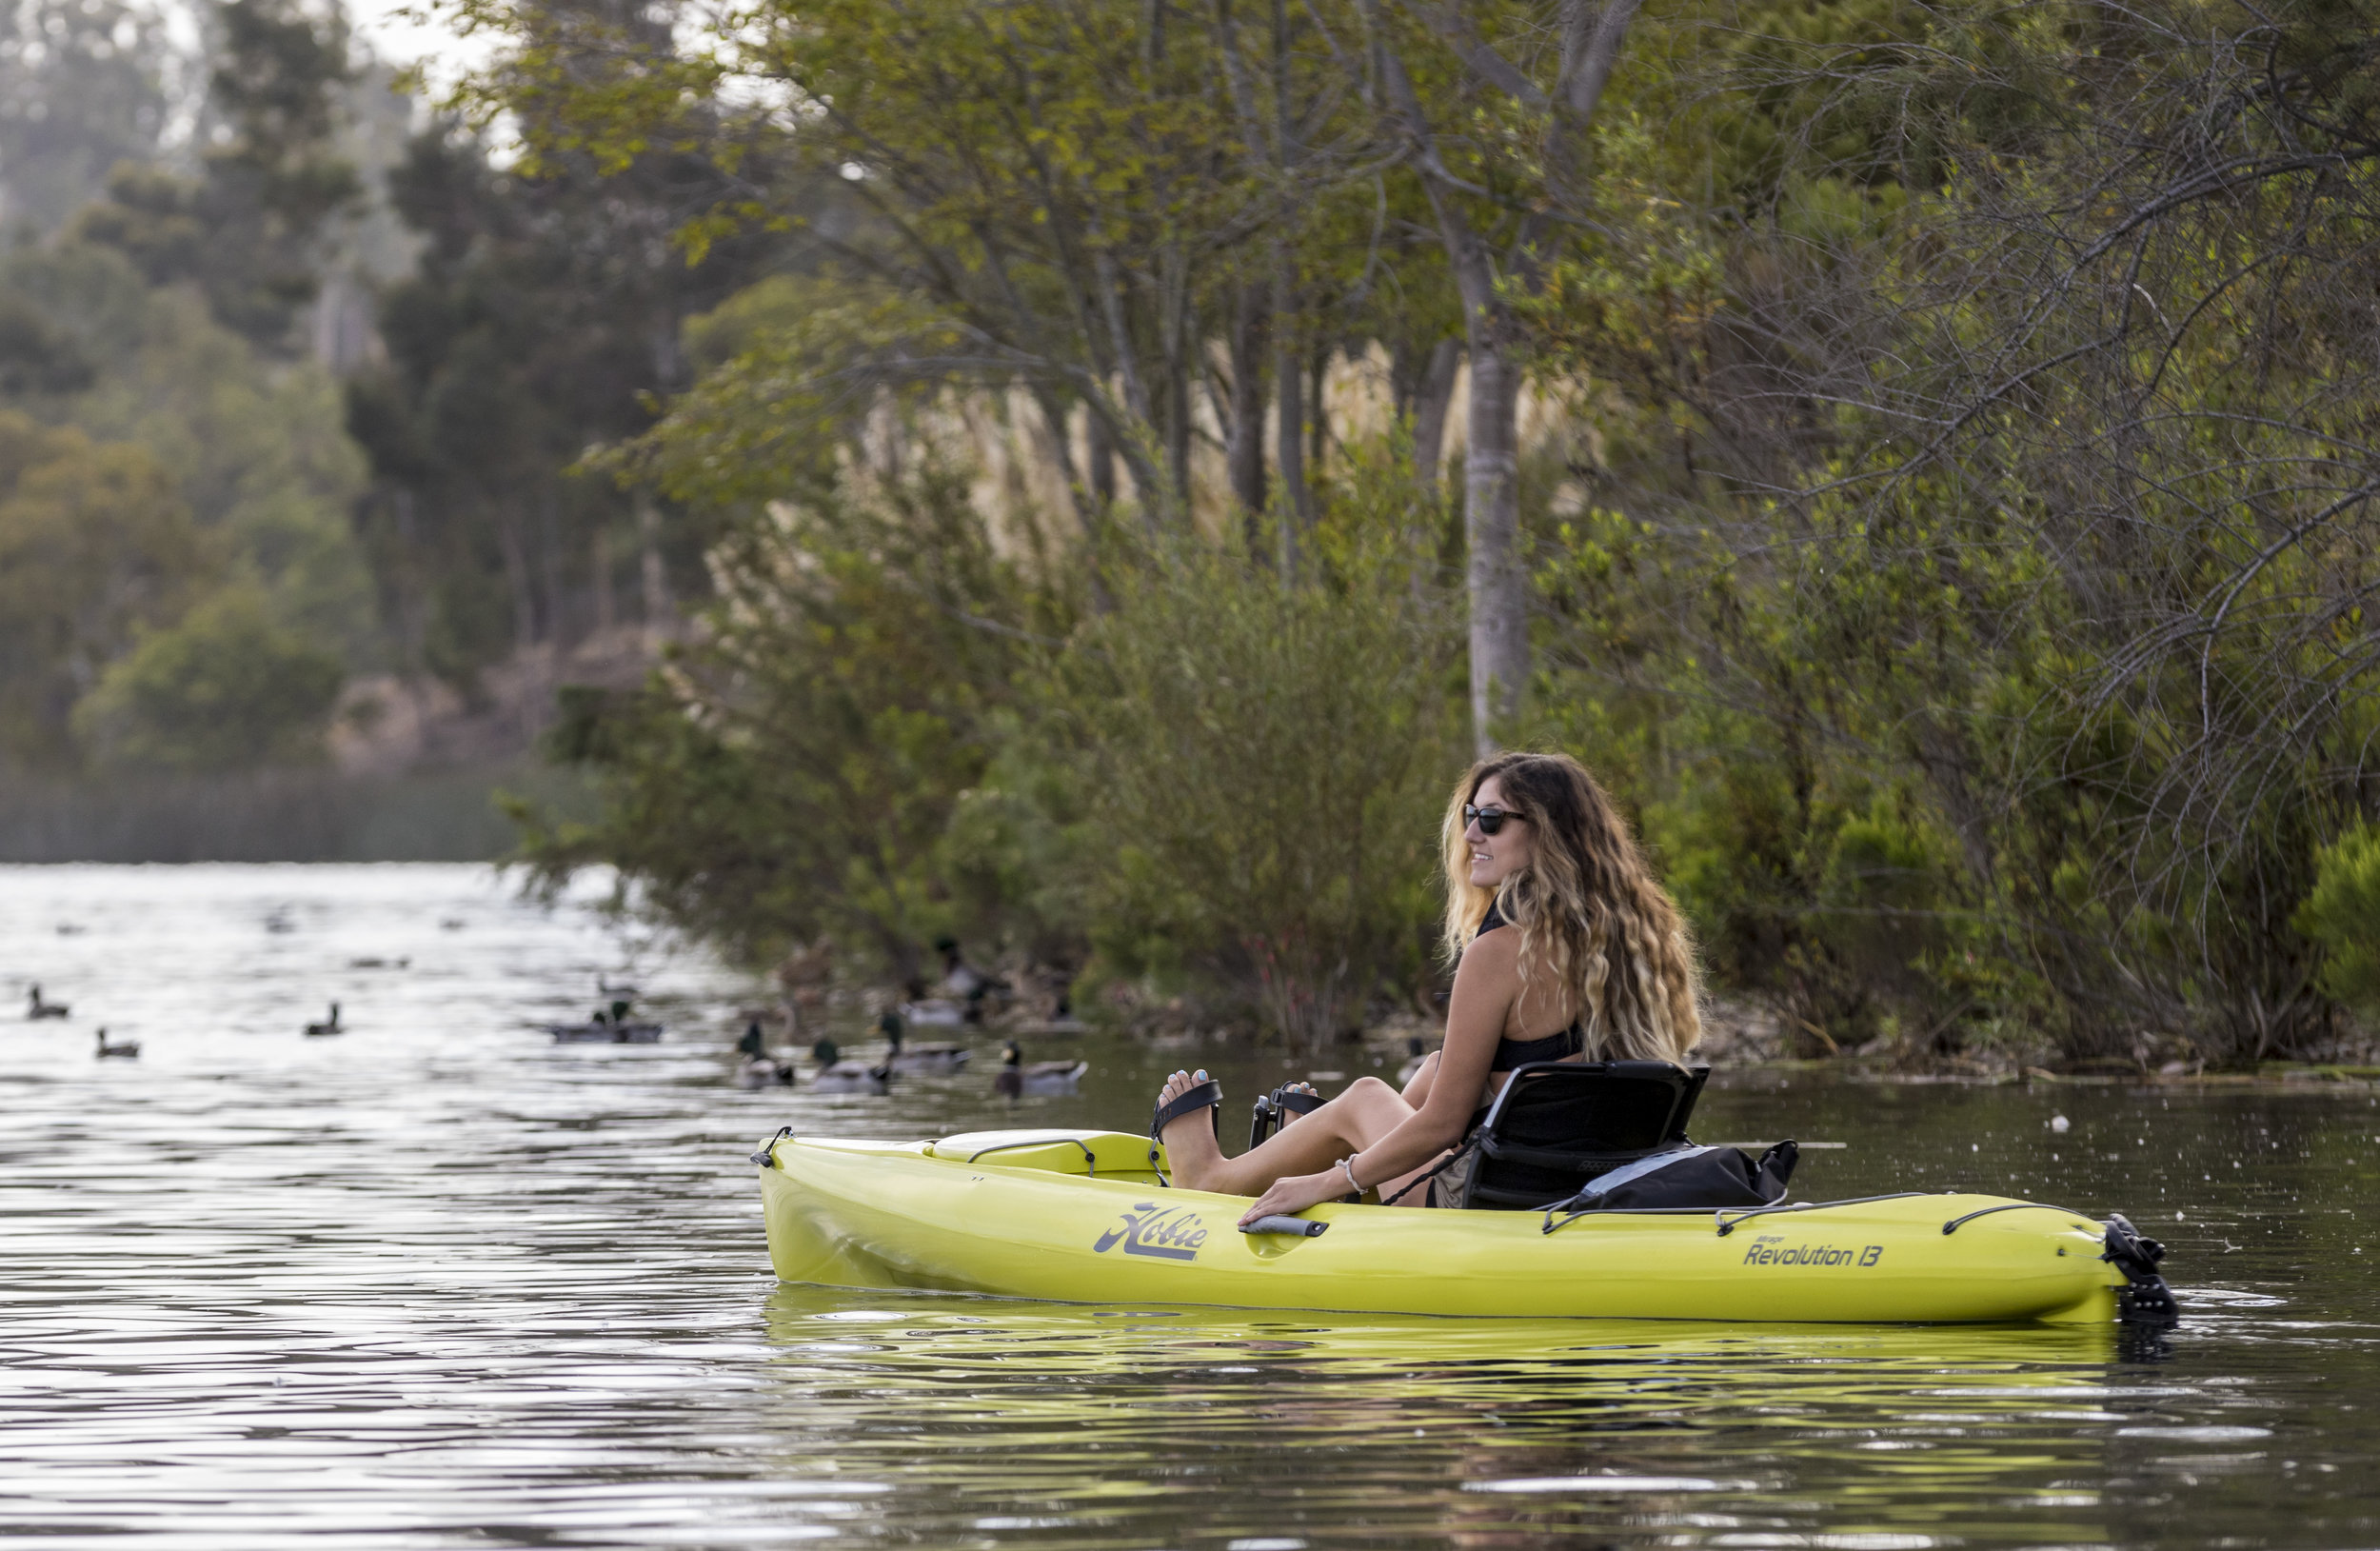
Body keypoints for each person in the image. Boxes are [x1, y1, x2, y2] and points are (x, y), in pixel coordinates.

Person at [1149, 750, 1702, 1226]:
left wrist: (1327, 1186)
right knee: (1440, 1067)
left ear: (1547, 833)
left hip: (1497, 1203)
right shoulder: (1639, 945)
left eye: (1491, 819)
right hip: (1590, 1180)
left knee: (1364, 1096)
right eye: (1470, 815)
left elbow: (1441, 1126)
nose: (1470, 835)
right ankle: (1313, 1151)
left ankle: (1213, 1180)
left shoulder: (1500, 953)